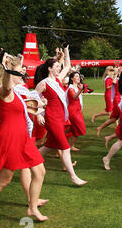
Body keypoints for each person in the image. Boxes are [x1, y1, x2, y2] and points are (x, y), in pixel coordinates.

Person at [0, 53, 48, 225]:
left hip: (23, 137)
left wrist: (38, 109)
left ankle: (32, 207)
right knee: (4, 180)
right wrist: (9, 70)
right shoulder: (4, 90)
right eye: (18, 72)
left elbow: (24, 110)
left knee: (40, 172)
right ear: (9, 74)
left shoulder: (17, 93)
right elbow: (7, 84)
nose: (22, 75)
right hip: (10, 139)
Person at [34, 46, 87, 186]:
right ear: (49, 68)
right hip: (52, 118)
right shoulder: (43, 83)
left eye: (59, 66)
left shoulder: (57, 80)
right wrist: (39, 114)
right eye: (56, 66)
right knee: (65, 147)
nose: (59, 68)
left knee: (49, 146)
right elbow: (33, 98)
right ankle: (73, 176)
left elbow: (68, 65)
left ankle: (29, 160)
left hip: (61, 117)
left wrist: (66, 49)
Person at [66, 72, 86, 151]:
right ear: (71, 78)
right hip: (73, 111)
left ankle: (71, 146)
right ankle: (61, 140)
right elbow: (74, 96)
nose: (78, 78)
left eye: (79, 76)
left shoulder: (76, 87)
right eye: (76, 76)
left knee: (75, 129)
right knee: (80, 128)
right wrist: (81, 90)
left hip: (77, 110)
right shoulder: (70, 88)